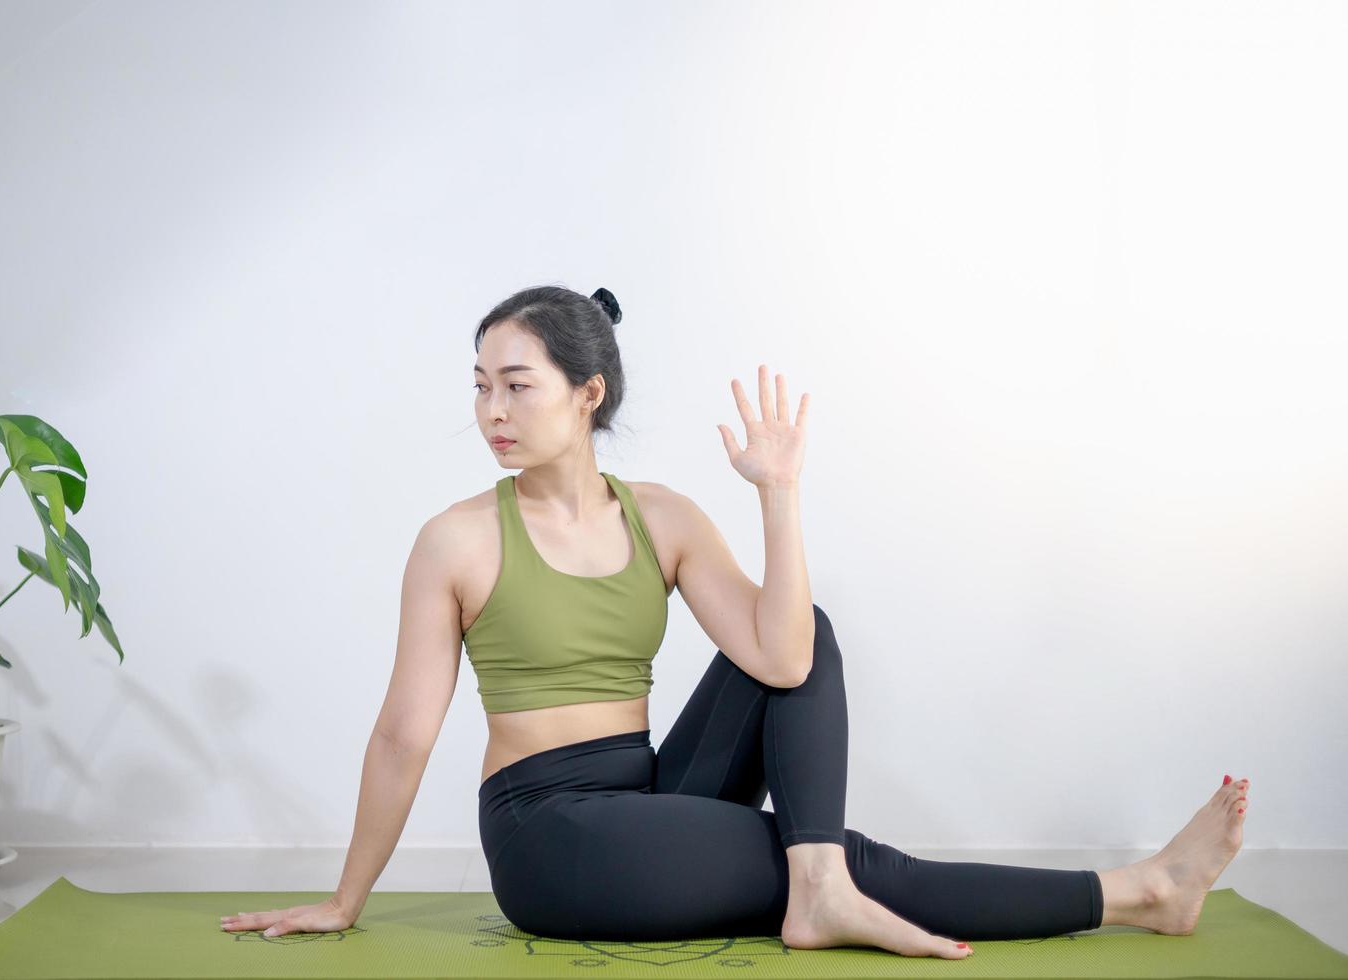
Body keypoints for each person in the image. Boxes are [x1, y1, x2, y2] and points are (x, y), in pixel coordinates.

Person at [221, 285, 1251, 956]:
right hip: (550, 834)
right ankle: (1136, 888)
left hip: (652, 793)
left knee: (811, 634)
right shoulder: (455, 539)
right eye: (480, 386)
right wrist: (345, 895)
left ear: (587, 394)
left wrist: (777, 491)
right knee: (838, 854)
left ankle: (819, 881)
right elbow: (404, 731)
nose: (492, 408)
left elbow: (784, 657)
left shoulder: (662, 515)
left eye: (516, 385)